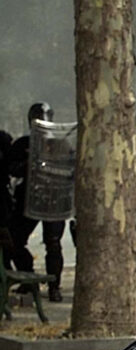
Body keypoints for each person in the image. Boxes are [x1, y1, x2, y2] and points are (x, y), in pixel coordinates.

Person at [7, 102, 70, 301]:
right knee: (14, 240)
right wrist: (29, 164)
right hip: (29, 199)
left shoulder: (61, 145)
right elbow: (11, 169)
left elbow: (69, 173)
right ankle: (28, 279)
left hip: (53, 200)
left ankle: (54, 287)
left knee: (53, 244)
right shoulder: (23, 144)